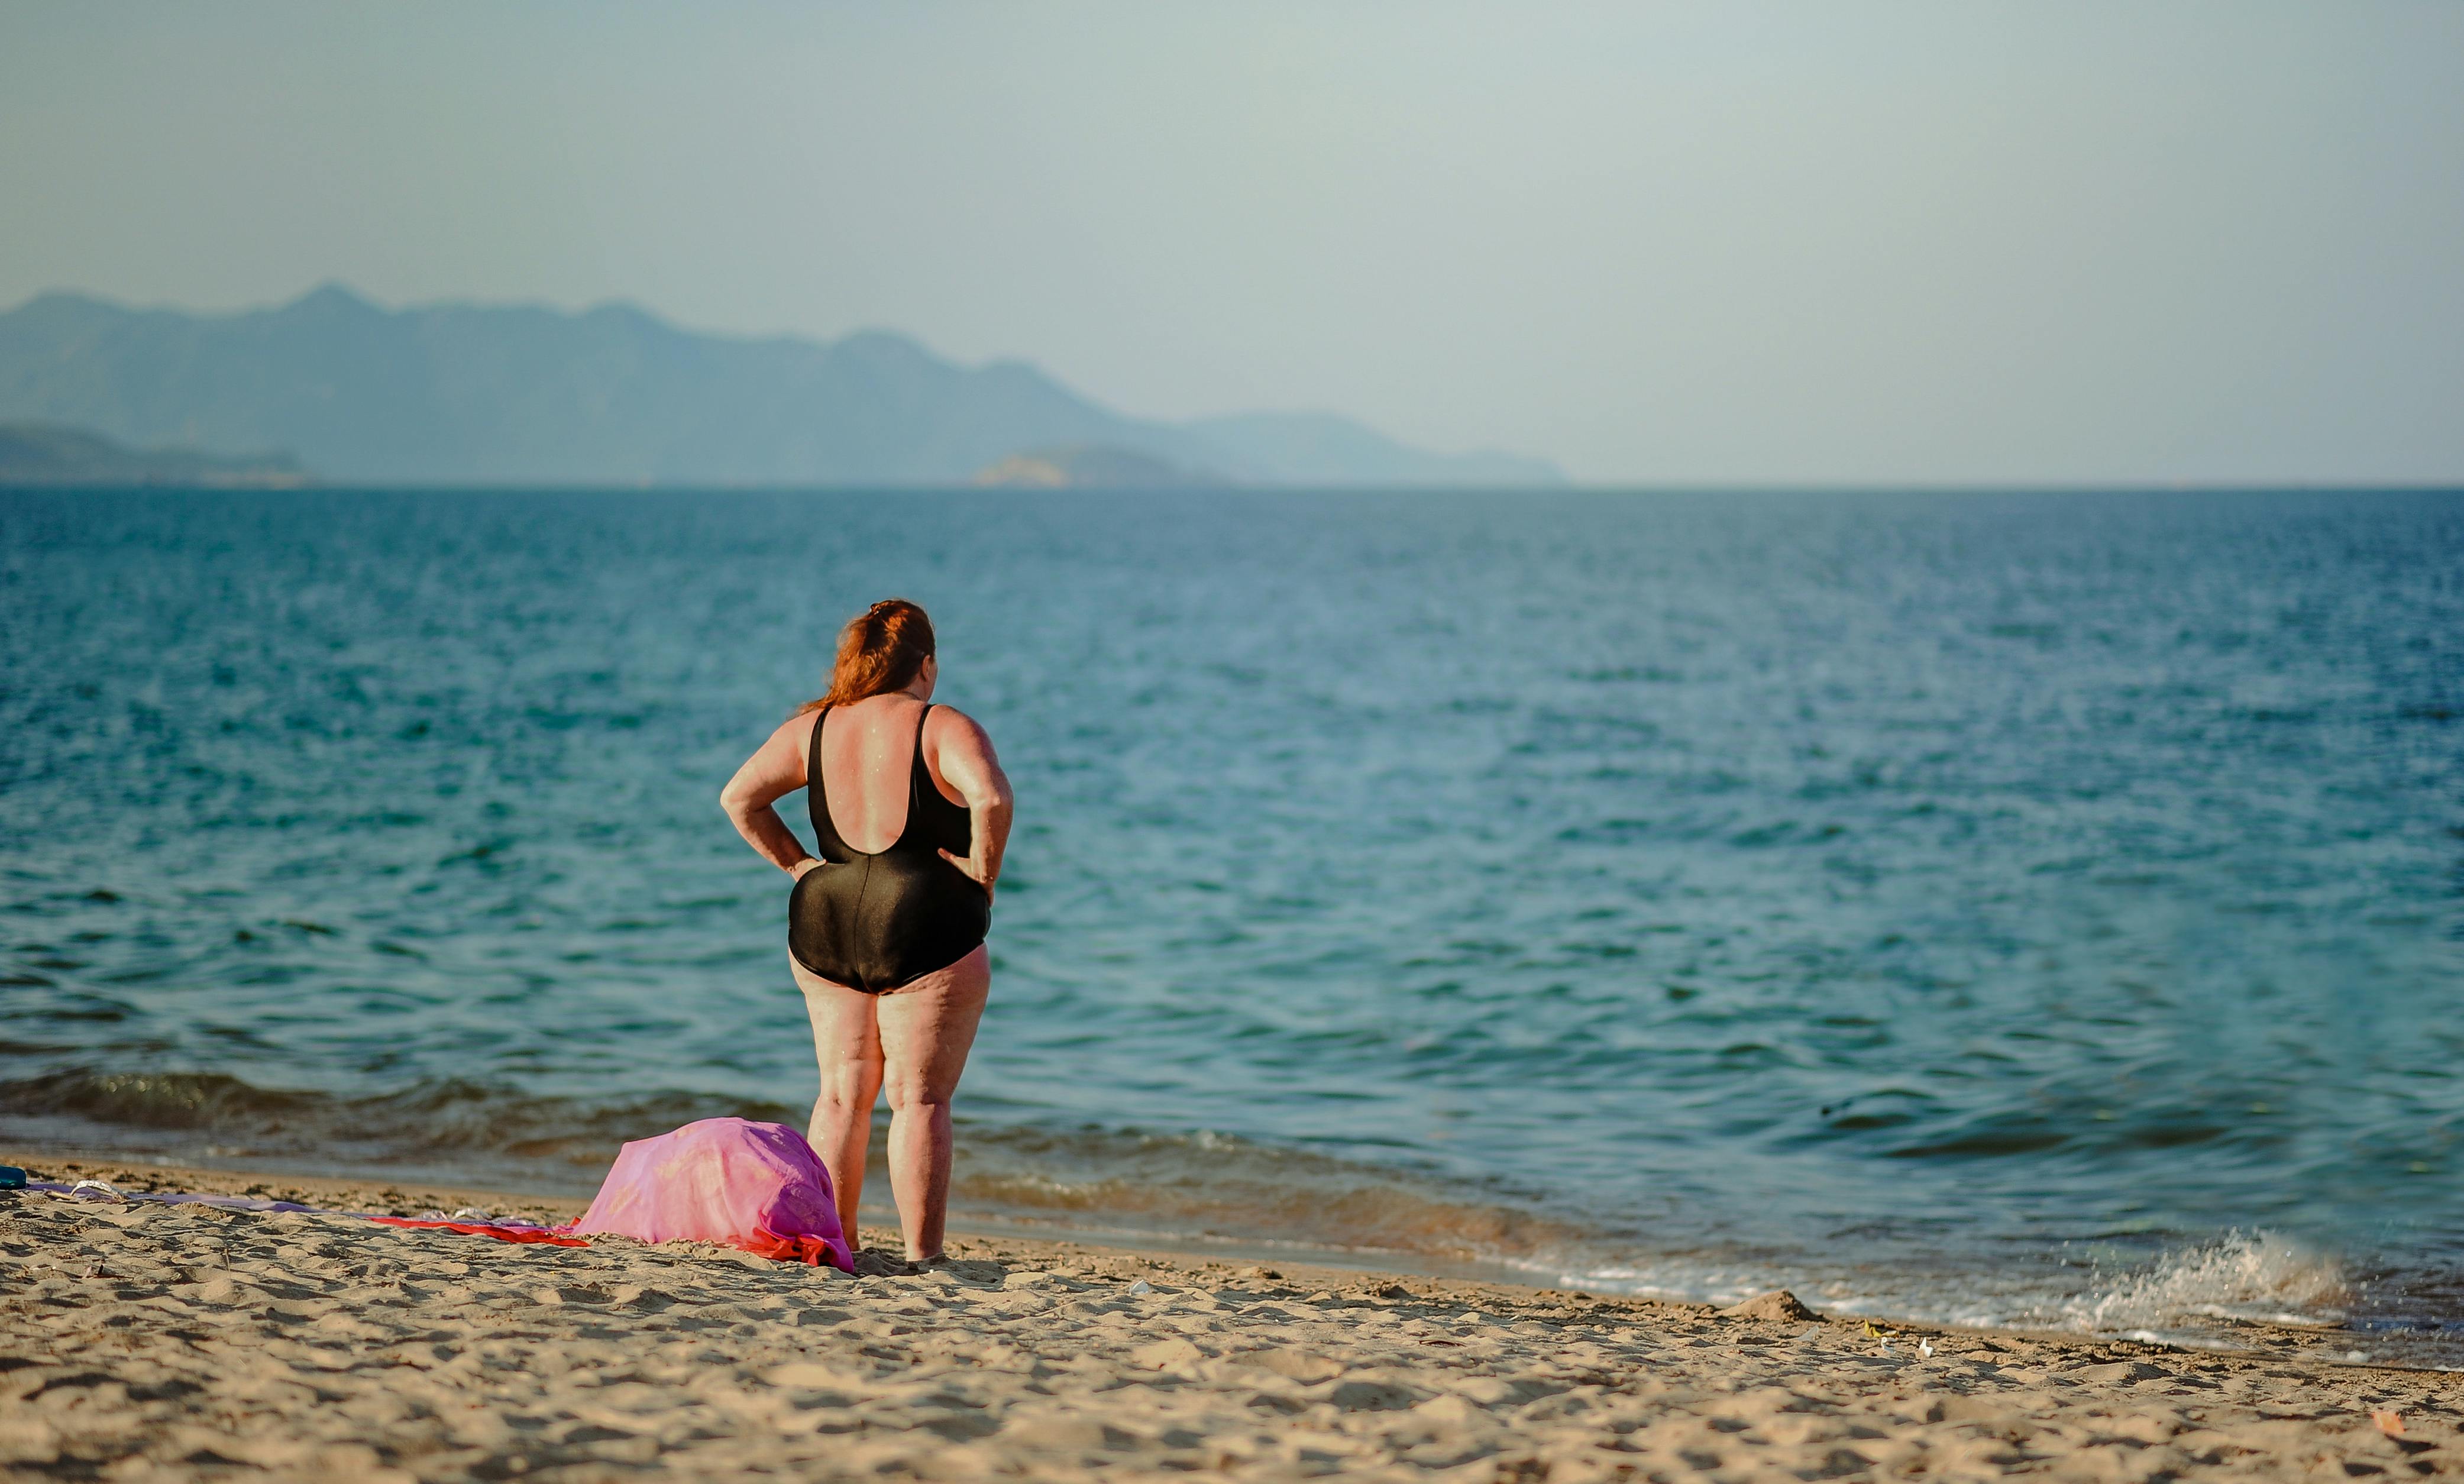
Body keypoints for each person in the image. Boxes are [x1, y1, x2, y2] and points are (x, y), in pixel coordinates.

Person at [719, 599, 1013, 1263]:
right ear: (926, 666)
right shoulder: (939, 724)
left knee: (842, 1091)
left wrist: (798, 865)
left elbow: (738, 797)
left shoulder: (813, 729)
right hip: (923, 918)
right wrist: (980, 871)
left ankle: (836, 1242)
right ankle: (922, 1256)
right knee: (919, 1099)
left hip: (826, 917)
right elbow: (991, 797)